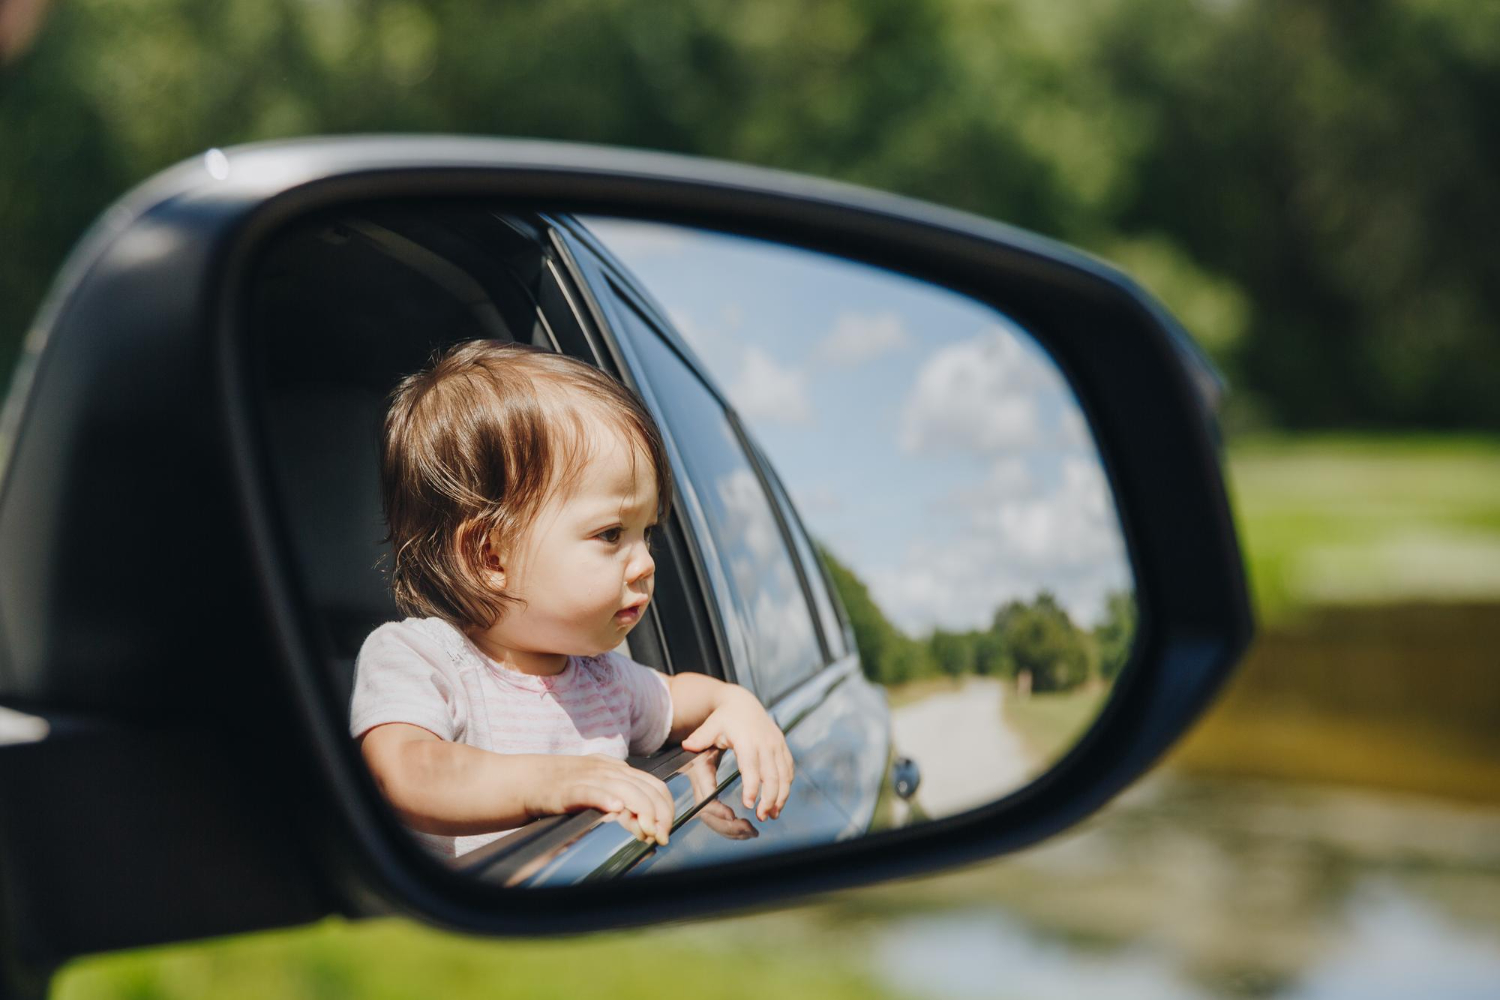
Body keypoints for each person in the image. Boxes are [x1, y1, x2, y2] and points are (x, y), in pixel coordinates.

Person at [350, 340, 794, 858]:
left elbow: (681, 696)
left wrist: (735, 703)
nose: (648, 563)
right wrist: (553, 782)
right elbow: (403, 772)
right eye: (611, 534)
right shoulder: (421, 659)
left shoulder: (603, 678)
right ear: (490, 556)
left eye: (646, 533)